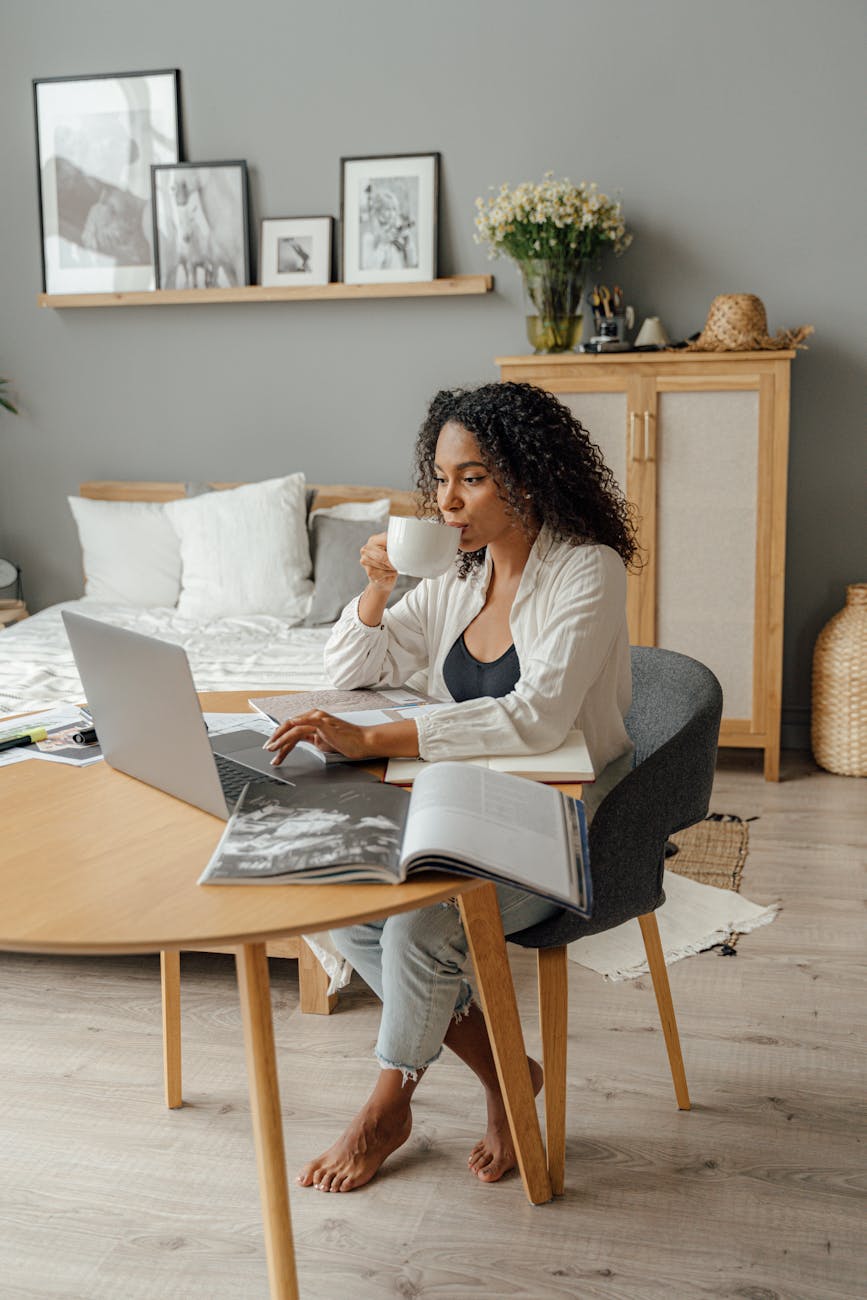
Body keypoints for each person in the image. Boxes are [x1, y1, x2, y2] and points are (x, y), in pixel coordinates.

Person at [265, 381, 640, 1193]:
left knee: (422, 923)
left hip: (562, 816)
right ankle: (509, 1076)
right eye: (439, 479)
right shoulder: (454, 581)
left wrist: (378, 738)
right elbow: (348, 670)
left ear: (527, 477)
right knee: (350, 892)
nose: (447, 500)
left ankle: (385, 1108)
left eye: (471, 477)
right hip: (458, 805)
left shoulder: (588, 570)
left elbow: (538, 719)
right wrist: (375, 589)